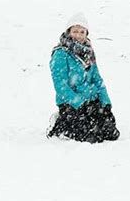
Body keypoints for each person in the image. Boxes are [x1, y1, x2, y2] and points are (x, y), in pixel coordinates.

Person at [47, 12, 120, 143]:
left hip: (91, 100)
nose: (78, 35)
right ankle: (60, 124)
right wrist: (79, 102)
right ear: (69, 32)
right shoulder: (60, 54)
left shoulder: (89, 53)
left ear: (87, 34)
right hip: (71, 104)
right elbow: (61, 86)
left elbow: (97, 80)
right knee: (90, 137)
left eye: (82, 32)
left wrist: (106, 103)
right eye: (75, 31)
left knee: (111, 133)